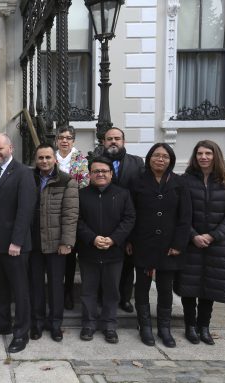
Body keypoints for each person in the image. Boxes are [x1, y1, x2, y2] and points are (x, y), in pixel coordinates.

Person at [174, 140, 225, 345]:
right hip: (191, 242)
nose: (203, 157)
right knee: (189, 286)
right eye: (199, 153)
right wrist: (193, 235)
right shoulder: (184, 181)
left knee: (209, 287)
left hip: (216, 244)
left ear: (215, 156)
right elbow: (179, 212)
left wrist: (214, 235)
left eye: (208, 153)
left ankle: (204, 326)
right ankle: (190, 326)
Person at [127, 143, 191, 348]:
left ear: (170, 160)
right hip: (142, 243)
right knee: (142, 287)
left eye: (165, 156)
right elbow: (130, 214)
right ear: (149, 158)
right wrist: (129, 240)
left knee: (165, 288)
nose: (160, 159)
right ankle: (144, 326)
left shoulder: (180, 183)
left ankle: (164, 328)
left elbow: (185, 217)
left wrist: (179, 244)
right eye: (156, 155)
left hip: (169, 245)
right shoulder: (137, 182)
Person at [0, 133, 36, 354]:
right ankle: (2, 322)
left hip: (15, 246)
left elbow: (25, 210)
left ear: (10, 148)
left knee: (20, 290)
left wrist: (17, 241)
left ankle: (21, 333)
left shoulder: (23, 173)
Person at [77, 157, 135, 344]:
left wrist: (113, 239)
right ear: (90, 174)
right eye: (96, 171)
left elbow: (129, 219)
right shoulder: (81, 194)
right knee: (88, 290)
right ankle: (89, 324)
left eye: (104, 171)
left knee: (112, 291)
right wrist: (92, 238)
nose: (100, 174)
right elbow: (77, 220)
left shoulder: (123, 194)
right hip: (89, 251)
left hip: (114, 252)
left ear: (111, 174)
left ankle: (110, 325)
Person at [29, 143, 79, 342]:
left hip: (57, 244)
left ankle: (56, 324)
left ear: (55, 159)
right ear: (36, 160)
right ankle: (37, 323)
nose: (44, 161)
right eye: (40, 158)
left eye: (48, 157)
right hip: (33, 243)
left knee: (56, 286)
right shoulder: (28, 178)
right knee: (36, 285)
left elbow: (70, 214)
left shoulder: (67, 181)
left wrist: (67, 242)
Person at [102, 127, 144, 314]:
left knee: (128, 265)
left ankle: (125, 298)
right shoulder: (95, 162)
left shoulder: (137, 163)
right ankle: (102, 297)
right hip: (102, 220)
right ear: (103, 142)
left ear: (123, 141)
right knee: (102, 265)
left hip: (128, 221)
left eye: (117, 138)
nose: (113, 141)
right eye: (109, 138)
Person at [55, 125, 89, 310]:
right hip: (52, 213)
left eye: (68, 138)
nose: (64, 141)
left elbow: (84, 182)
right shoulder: (51, 157)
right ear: (57, 140)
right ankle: (56, 291)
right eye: (61, 137)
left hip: (73, 210)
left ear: (73, 140)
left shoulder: (81, 160)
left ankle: (68, 292)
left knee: (69, 255)